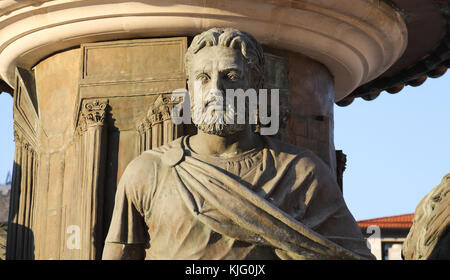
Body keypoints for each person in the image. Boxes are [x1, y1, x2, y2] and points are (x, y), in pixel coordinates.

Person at [102, 27, 374, 260]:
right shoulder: (148, 172)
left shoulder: (301, 173)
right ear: (190, 86)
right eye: (203, 78)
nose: (215, 91)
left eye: (231, 77)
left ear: (255, 84)